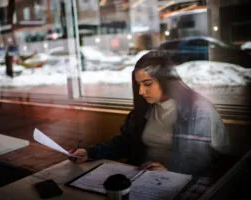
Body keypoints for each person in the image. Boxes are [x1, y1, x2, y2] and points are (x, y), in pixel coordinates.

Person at [70, 50, 230, 176]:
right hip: (141, 178)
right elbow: (124, 143)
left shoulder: (199, 111)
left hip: (178, 183)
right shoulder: (145, 109)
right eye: (138, 84)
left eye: (147, 84)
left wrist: (171, 173)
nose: (140, 91)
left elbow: (212, 163)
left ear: (166, 80)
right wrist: (89, 153)